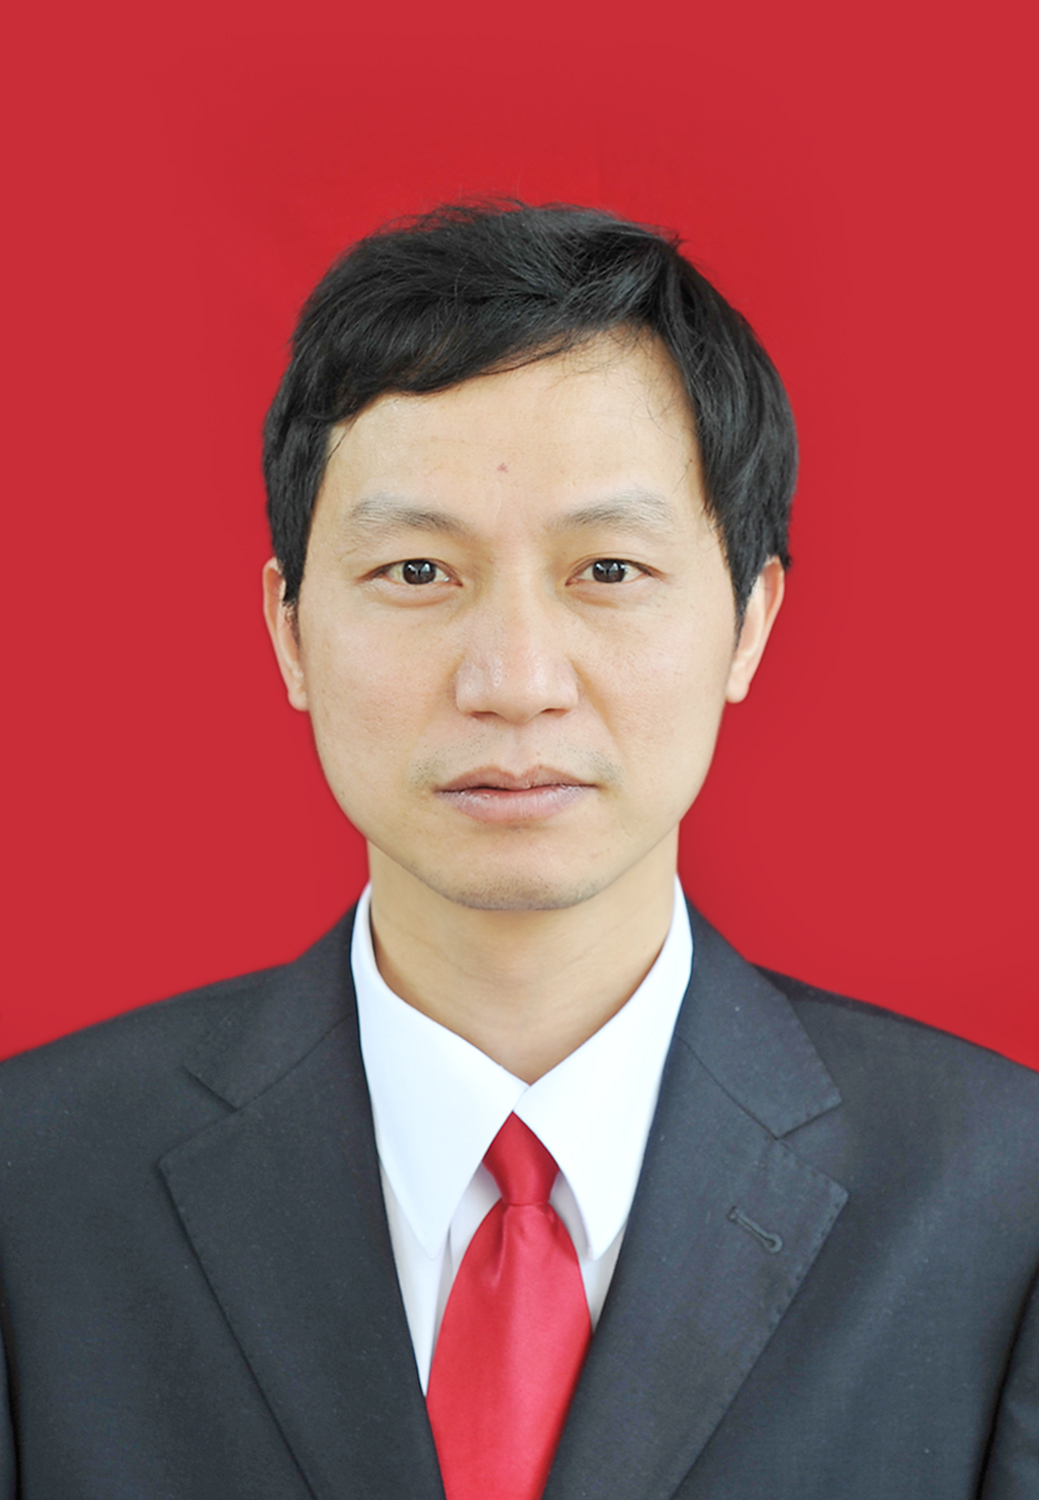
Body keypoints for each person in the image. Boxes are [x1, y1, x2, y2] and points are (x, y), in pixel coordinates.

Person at [0, 203, 1036, 1500]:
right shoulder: (33, 1192)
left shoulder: (1001, 1204)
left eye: (607, 570)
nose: (514, 681)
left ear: (749, 622)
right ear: (290, 630)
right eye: (416, 572)